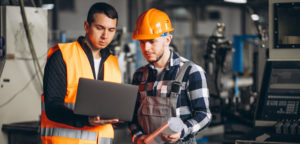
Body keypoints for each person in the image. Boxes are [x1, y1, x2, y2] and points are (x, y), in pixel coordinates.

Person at [41, 2, 121, 144]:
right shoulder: (62, 56)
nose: (105, 35)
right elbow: (52, 107)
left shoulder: (113, 63)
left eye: (111, 30)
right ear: (86, 26)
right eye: (99, 28)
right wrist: (86, 120)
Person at [129, 8, 212, 144]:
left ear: (167, 40)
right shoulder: (139, 75)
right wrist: (138, 137)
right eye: (142, 42)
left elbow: (204, 115)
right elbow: (132, 117)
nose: (146, 48)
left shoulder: (191, 72)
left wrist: (183, 131)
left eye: (151, 41)